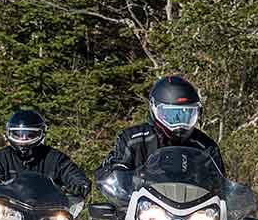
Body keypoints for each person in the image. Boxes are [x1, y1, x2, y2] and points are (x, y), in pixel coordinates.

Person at [95, 75, 225, 180]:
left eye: (187, 114)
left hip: (194, 208)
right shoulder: (133, 140)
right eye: (170, 115)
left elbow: (220, 186)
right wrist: (139, 174)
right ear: (154, 110)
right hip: (142, 207)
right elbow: (116, 177)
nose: (179, 123)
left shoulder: (205, 147)